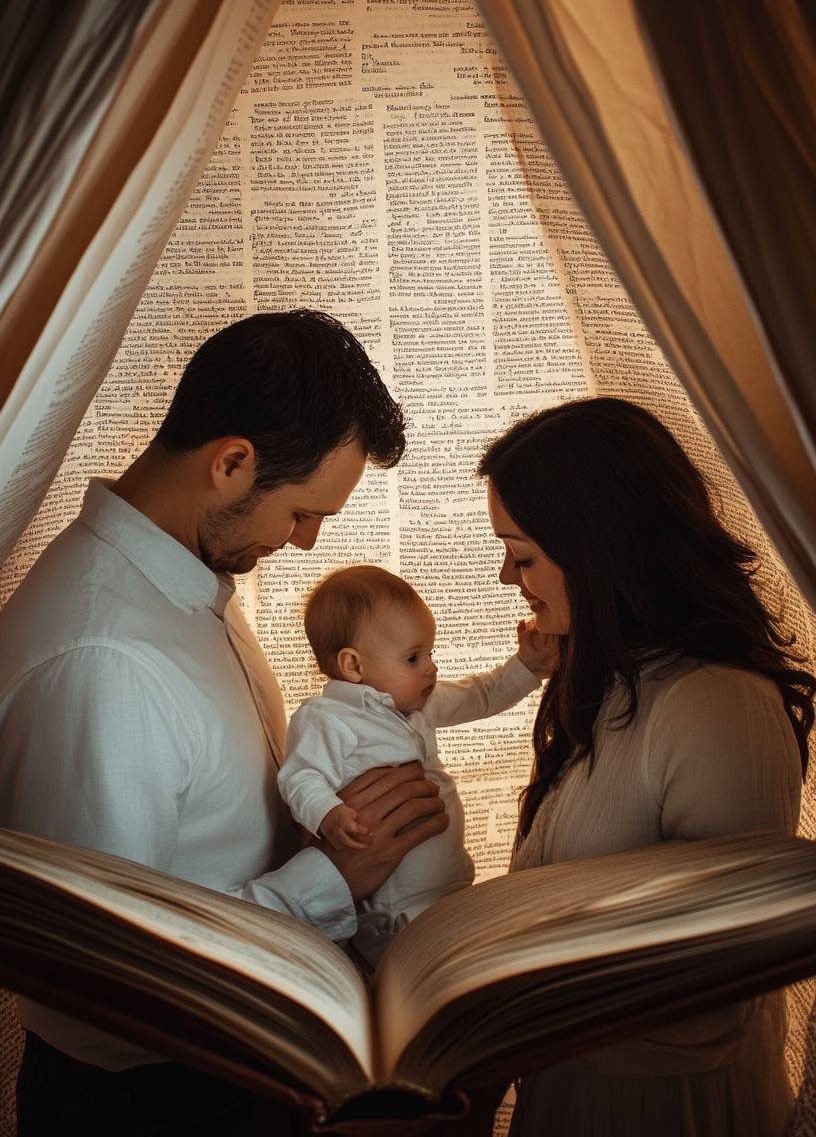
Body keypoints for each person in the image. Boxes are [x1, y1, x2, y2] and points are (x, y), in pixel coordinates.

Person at [0, 310, 449, 1136]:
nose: (309, 544)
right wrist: (332, 880)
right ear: (233, 463)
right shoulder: (105, 660)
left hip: (235, 1069)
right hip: (153, 1104)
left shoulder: (181, 585)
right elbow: (107, 982)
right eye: (304, 512)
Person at [477, 396, 816, 1137]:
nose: (509, 577)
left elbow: (718, 994)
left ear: (596, 546)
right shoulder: (607, 686)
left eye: (523, 554)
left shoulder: (718, 706)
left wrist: (502, 988)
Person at [278, 564, 553, 967]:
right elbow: (300, 776)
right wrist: (328, 813)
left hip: (451, 889)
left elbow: (482, 695)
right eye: (413, 657)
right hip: (395, 912)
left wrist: (527, 666)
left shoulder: (418, 703)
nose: (430, 667)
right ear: (354, 666)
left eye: (430, 653)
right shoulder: (326, 718)